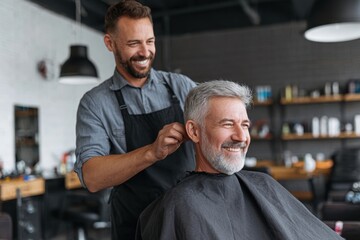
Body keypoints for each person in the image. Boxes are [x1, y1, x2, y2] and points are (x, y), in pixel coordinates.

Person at [135, 80, 344, 240]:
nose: (241, 136)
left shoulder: (264, 184)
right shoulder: (177, 206)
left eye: (244, 125)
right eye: (227, 124)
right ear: (194, 131)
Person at [74, 1, 196, 239]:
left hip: (188, 218)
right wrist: (152, 152)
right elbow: (92, 177)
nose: (144, 52)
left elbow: (215, 125)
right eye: (133, 43)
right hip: (135, 225)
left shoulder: (181, 87)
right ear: (110, 43)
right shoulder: (95, 104)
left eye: (150, 41)